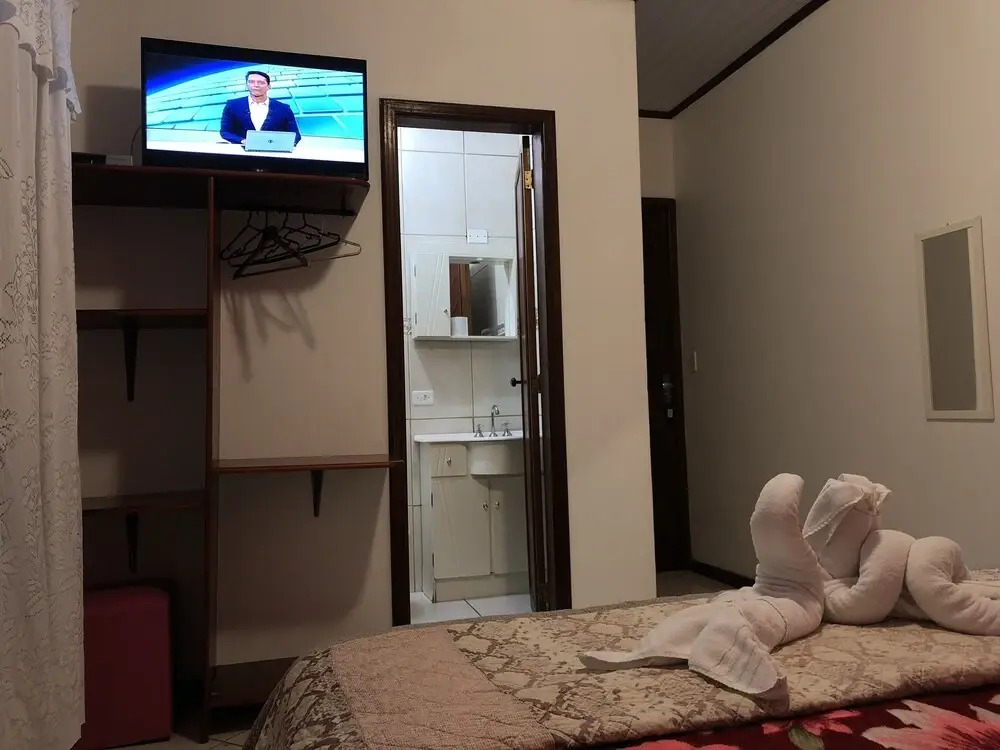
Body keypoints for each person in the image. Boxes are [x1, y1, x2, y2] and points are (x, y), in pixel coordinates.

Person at [220, 70, 301, 146]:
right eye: (251, 82)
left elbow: (295, 136)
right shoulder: (232, 105)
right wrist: (242, 141)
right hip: (241, 152)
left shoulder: (284, 109)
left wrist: (276, 144)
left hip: (273, 153)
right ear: (246, 85)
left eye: (261, 82)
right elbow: (225, 132)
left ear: (269, 86)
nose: (256, 85)